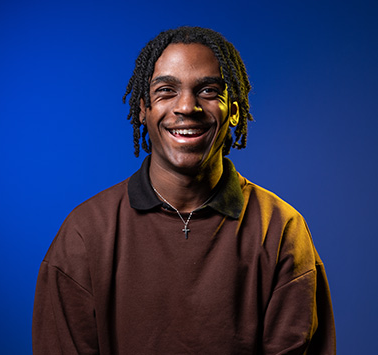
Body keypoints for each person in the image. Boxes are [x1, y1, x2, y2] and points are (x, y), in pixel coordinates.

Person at [32, 26, 336, 354]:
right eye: (166, 91)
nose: (186, 107)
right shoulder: (84, 234)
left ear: (234, 109)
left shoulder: (280, 231)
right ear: (142, 109)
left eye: (207, 90)